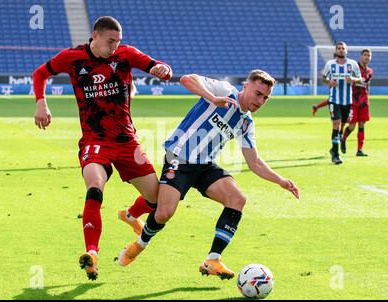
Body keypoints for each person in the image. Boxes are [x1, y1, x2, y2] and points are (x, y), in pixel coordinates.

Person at [117, 70, 300, 280]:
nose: (261, 101)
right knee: (164, 212)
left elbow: (254, 162)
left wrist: (282, 181)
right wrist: (212, 98)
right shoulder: (225, 91)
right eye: (258, 93)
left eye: (265, 97)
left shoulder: (246, 122)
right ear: (246, 86)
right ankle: (139, 244)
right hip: (180, 158)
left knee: (237, 199)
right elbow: (186, 79)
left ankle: (213, 260)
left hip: (205, 165)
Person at [32, 16, 172, 281]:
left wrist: (162, 69)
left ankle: (130, 214)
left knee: (159, 204)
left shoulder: (126, 54)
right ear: (95, 36)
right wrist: (41, 103)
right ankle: (92, 254)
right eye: (110, 41)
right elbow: (40, 73)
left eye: (118, 42)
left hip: (126, 142)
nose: (114, 47)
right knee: (95, 186)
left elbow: (155, 64)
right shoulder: (72, 58)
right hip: (95, 141)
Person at [322, 42, 361, 164]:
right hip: (334, 100)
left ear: (346, 50)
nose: (341, 50)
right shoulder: (330, 64)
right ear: (336, 51)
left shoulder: (352, 64)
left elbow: (359, 78)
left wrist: (353, 79)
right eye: (339, 48)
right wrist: (329, 81)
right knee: (336, 124)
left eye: (343, 48)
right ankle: (336, 155)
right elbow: (323, 77)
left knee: (341, 126)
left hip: (347, 101)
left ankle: (333, 149)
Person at [341, 49, 373, 156]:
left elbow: (367, 85)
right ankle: (343, 139)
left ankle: (359, 150)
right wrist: (355, 80)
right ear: (361, 56)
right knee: (352, 125)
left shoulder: (369, 71)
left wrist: (368, 97)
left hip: (364, 102)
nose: (367, 57)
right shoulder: (354, 68)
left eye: (368, 55)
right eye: (365, 55)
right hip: (353, 101)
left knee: (362, 125)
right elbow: (348, 79)